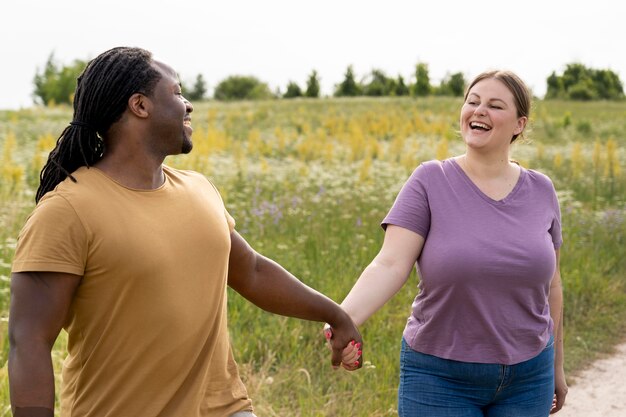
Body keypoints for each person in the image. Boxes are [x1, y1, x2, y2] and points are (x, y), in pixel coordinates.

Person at [8, 46, 361, 417]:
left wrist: (335, 315)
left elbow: (253, 271)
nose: (188, 105)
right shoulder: (67, 210)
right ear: (140, 106)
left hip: (226, 409)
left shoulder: (199, 190)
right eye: (177, 93)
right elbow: (29, 341)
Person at [333, 70, 567, 416]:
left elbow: (551, 284)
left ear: (519, 124)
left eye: (494, 105)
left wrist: (557, 368)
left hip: (529, 375)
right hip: (439, 377)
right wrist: (342, 318)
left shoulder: (541, 190)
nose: (479, 110)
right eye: (472, 102)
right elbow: (389, 264)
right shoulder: (430, 181)